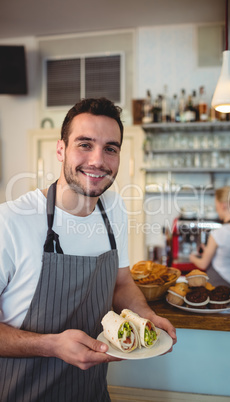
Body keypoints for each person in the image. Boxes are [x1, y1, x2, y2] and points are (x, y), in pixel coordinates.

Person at [0, 98, 177, 402]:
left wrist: (145, 316)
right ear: (60, 150)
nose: (98, 160)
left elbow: (121, 283)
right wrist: (51, 345)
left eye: (110, 148)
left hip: (93, 392)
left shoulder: (115, 209)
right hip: (23, 392)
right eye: (84, 144)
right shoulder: (11, 220)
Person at [189, 186, 230, 288]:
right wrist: (209, 252)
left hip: (218, 285)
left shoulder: (219, 233)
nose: (216, 209)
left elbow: (203, 264)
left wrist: (192, 257)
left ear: (222, 205)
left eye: (216, 205)